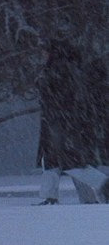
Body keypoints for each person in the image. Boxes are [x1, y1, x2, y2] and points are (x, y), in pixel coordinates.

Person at [35, 40, 109, 205]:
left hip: (60, 122)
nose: (42, 55)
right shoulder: (64, 69)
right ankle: (50, 196)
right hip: (59, 121)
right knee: (52, 161)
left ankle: (103, 184)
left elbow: (58, 97)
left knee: (69, 161)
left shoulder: (59, 70)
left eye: (44, 52)